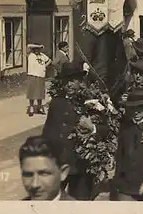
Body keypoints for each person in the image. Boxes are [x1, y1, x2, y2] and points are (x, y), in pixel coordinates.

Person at [42, 62, 108, 200]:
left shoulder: (93, 103)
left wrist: (93, 128)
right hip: (60, 164)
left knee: (79, 206)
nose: (70, 84)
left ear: (81, 82)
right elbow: (48, 132)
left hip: (81, 166)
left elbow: (106, 130)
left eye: (74, 80)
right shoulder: (57, 103)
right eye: (67, 81)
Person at [19, 136, 75, 201]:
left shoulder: (80, 210)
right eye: (28, 175)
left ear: (63, 173)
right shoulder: (15, 209)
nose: (35, 185)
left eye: (43, 174)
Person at [26, 43, 52, 116]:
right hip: (33, 75)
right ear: (33, 49)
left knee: (40, 93)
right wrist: (33, 47)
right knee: (32, 92)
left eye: (39, 49)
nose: (37, 50)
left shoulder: (42, 55)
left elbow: (50, 60)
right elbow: (27, 47)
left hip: (41, 75)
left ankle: (39, 107)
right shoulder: (31, 55)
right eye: (36, 49)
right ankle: (31, 107)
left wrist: (44, 66)